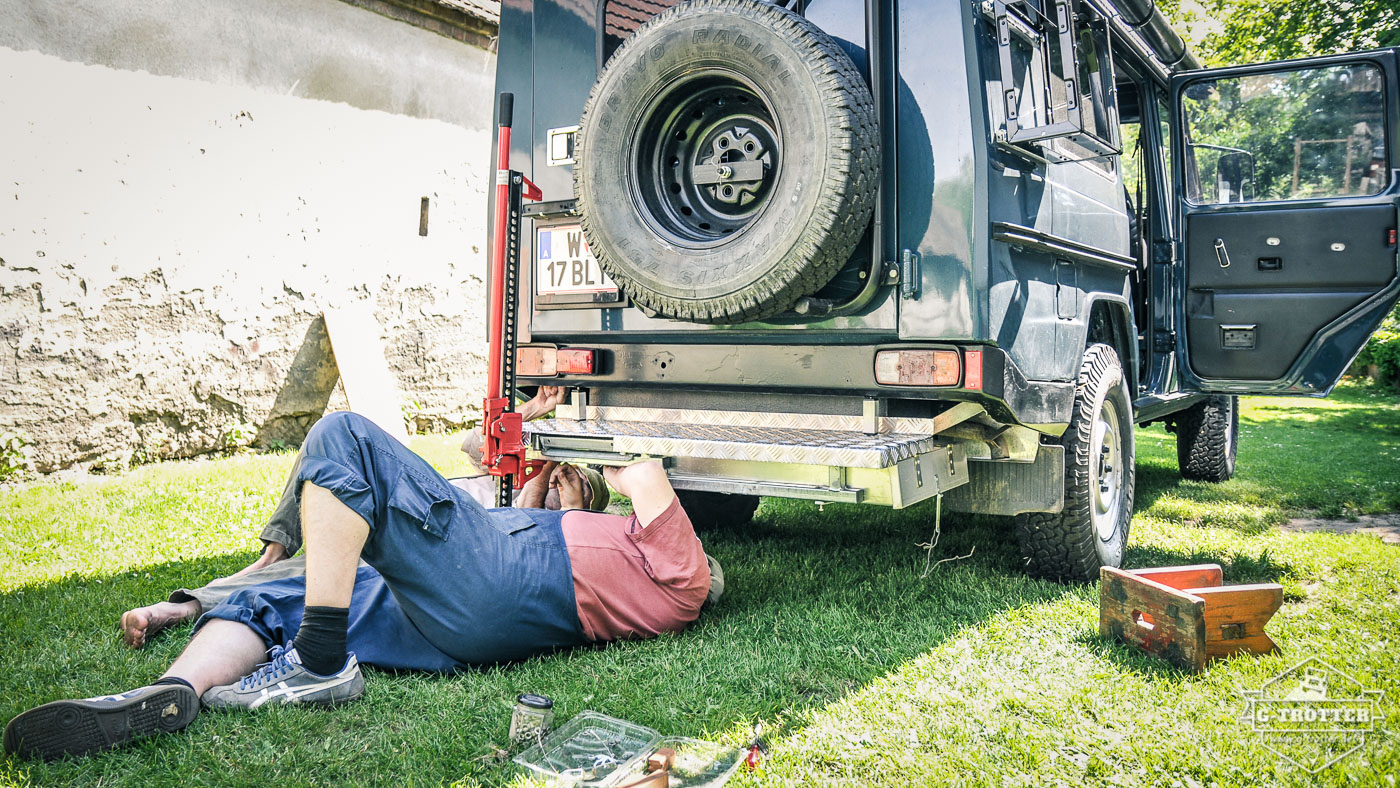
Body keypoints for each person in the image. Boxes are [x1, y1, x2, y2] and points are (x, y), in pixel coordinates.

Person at [4, 411, 722, 762]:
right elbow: (493, 473)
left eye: (578, 489)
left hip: (497, 587)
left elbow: (642, 472)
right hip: (451, 620)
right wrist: (544, 478)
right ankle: (176, 690)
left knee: (342, 434)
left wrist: (573, 448)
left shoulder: (673, 572)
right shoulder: (584, 547)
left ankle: (319, 658)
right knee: (277, 598)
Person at [117, 387, 608, 649]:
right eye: (573, 475)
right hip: (395, 510)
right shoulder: (504, 476)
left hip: (417, 553)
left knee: (307, 578)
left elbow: (533, 531)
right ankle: (272, 549)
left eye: (581, 485)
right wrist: (537, 411)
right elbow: (474, 445)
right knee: (326, 455)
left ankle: (181, 609)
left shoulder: (544, 531)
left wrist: (554, 491)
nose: (569, 481)